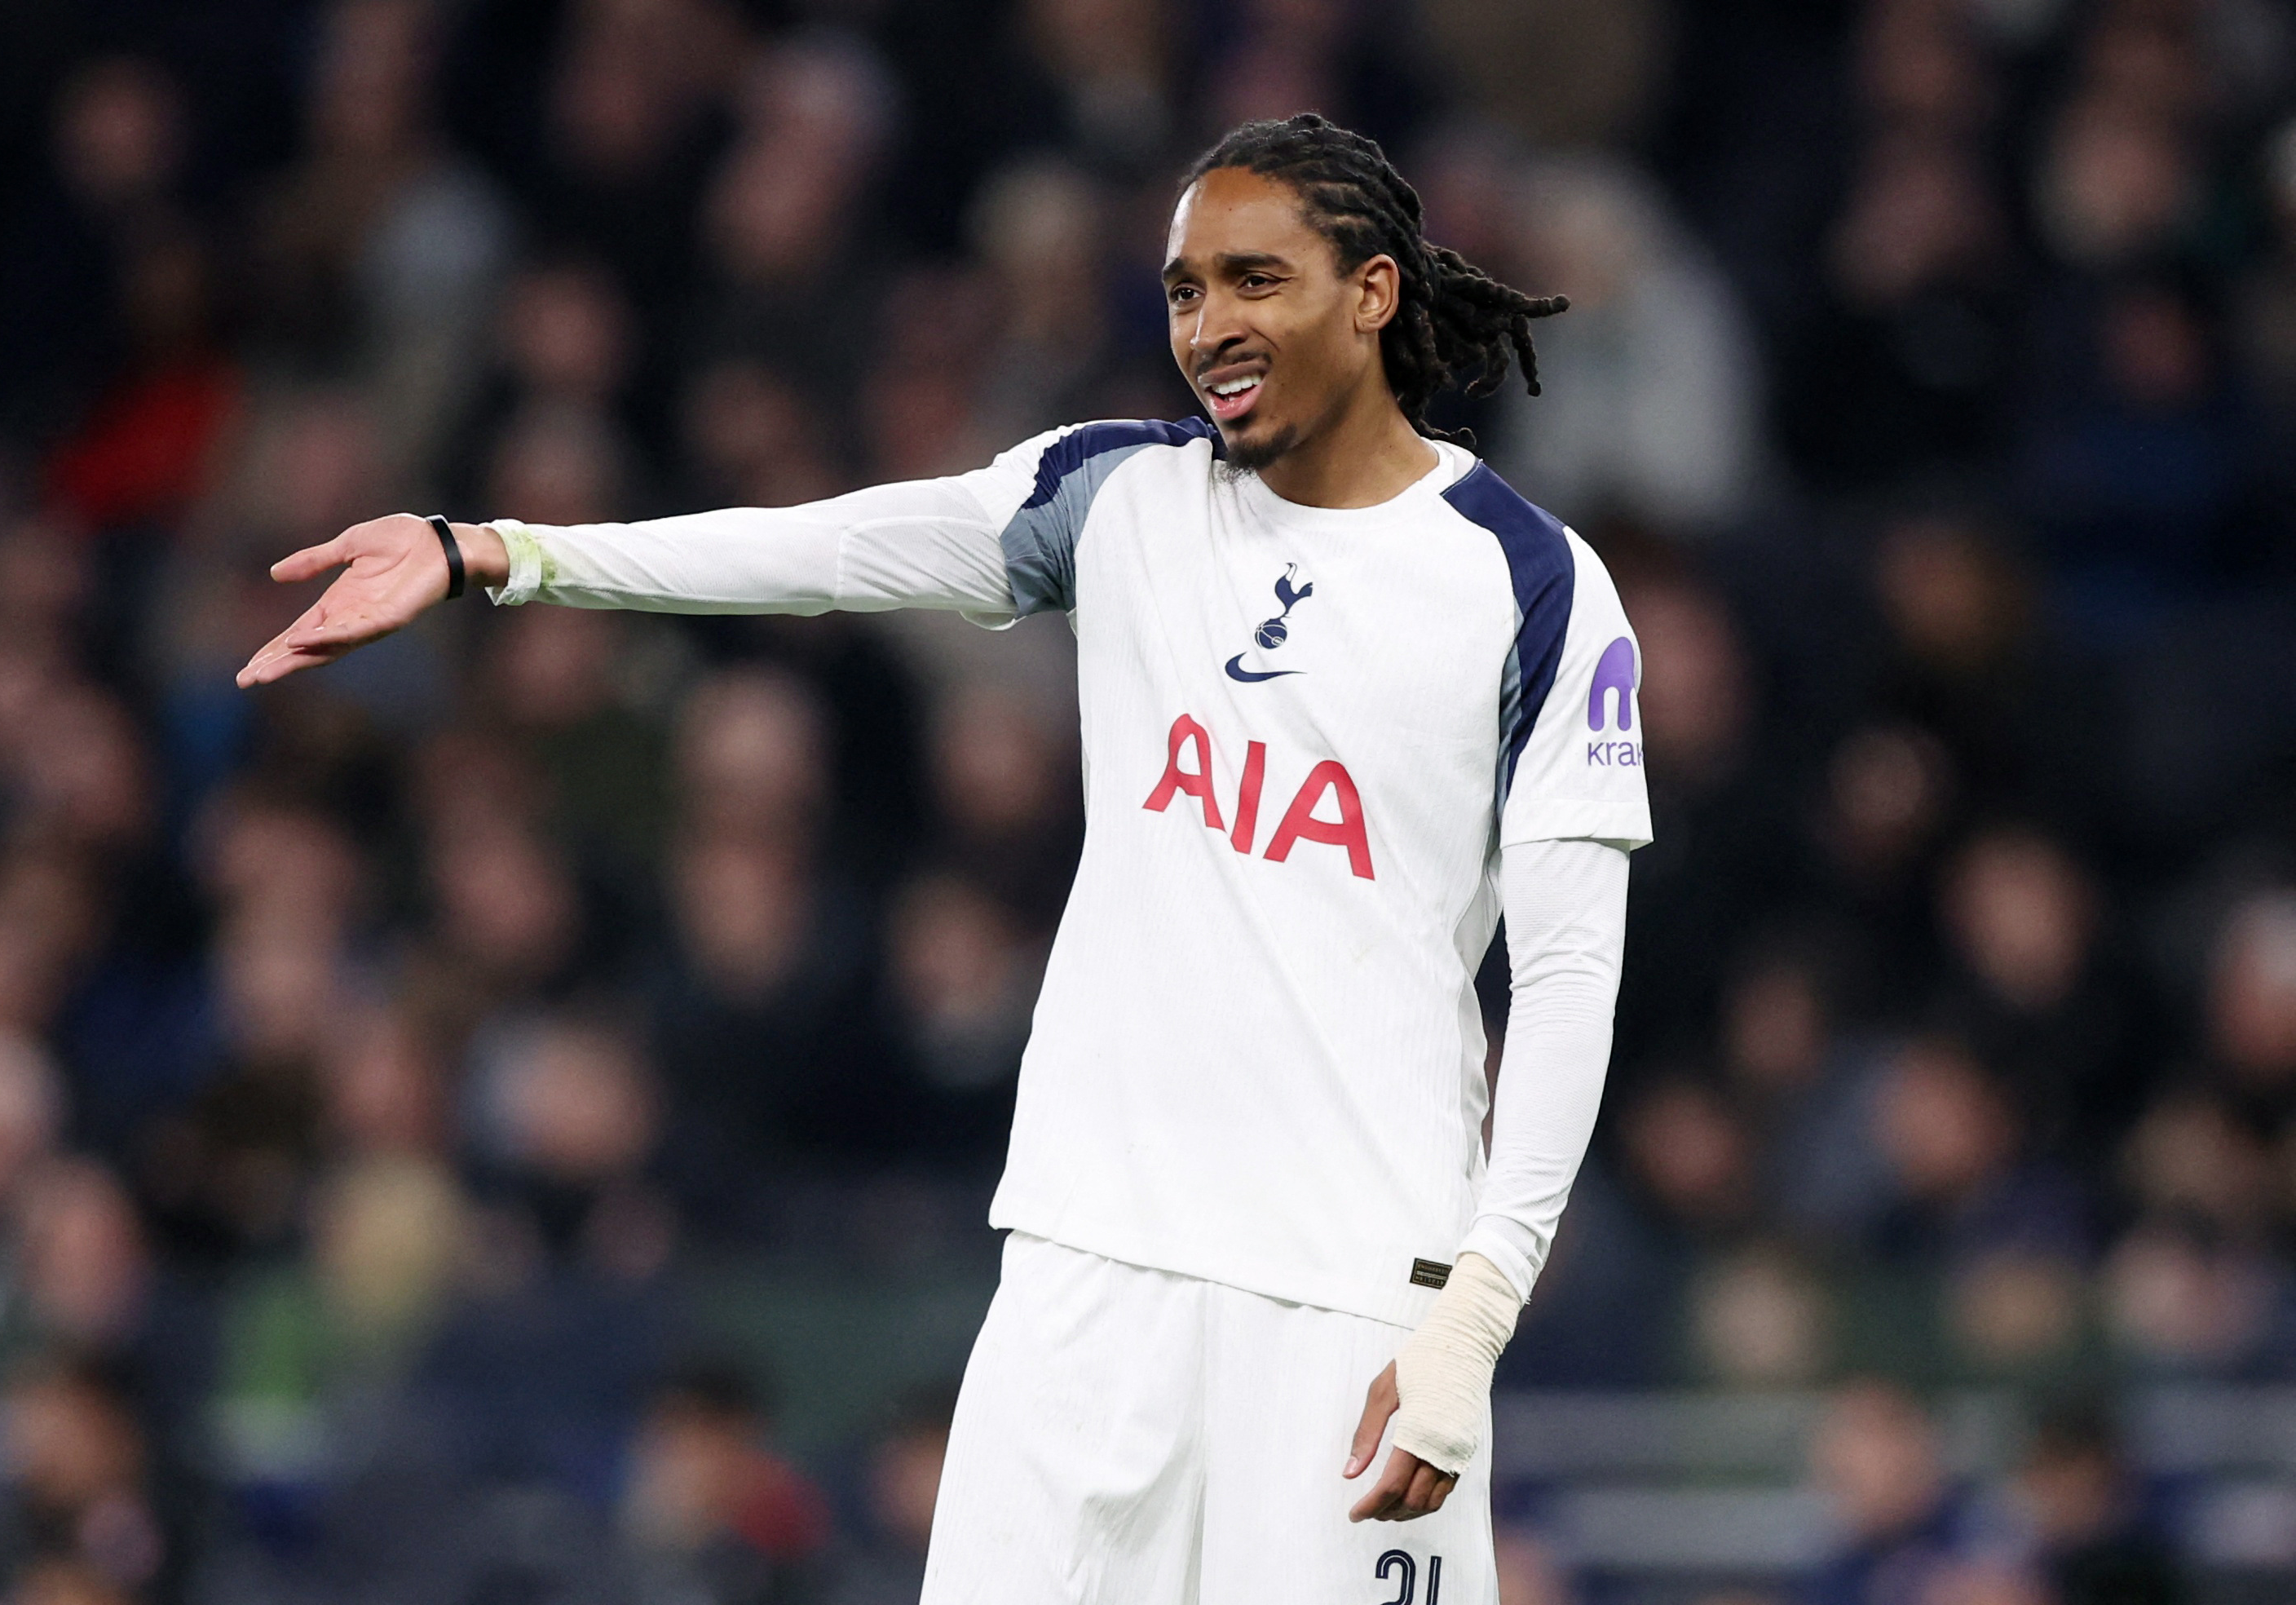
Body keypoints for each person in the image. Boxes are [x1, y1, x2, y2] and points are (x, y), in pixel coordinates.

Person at [239, 113, 1648, 1604]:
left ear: (1371, 293)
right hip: (1085, 1262)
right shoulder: (1119, 499)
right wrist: (502, 551)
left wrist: (1475, 1313)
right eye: (1182, 291)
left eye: (1255, 279)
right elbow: (834, 550)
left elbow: (1566, 974)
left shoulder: (1532, 585)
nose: (1211, 325)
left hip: (1356, 1300)